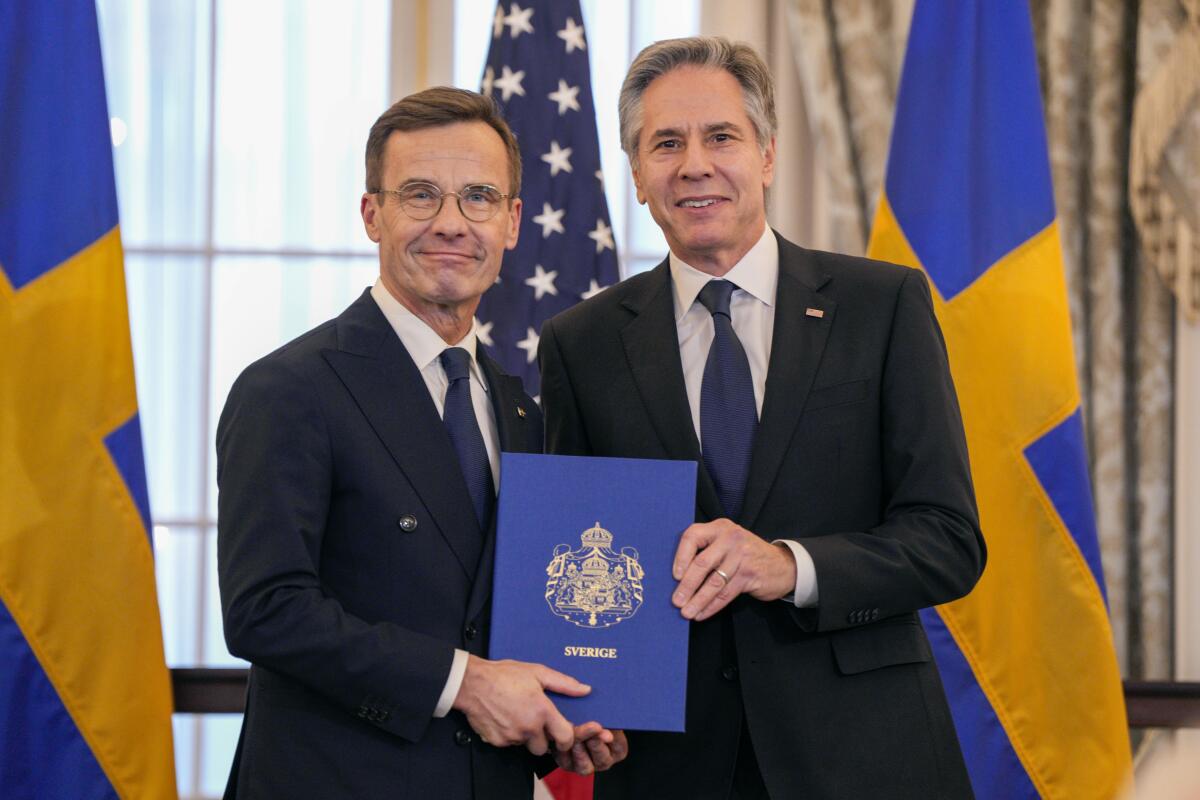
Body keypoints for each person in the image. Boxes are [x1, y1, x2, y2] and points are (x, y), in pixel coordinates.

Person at [538, 37, 986, 799]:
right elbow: (568, 560)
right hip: (666, 763)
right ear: (639, 176)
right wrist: (582, 701)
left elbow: (947, 541)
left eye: (721, 137)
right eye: (666, 144)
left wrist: (789, 567)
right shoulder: (580, 345)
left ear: (768, 155)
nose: (694, 165)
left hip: (866, 753)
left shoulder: (883, 307)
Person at [216, 86, 624, 799]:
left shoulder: (520, 409)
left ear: (513, 222)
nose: (451, 224)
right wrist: (466, 684)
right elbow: (266, 610)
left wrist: (560, 716)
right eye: (420, 195)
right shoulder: (289, 389)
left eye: (478, 197)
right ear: (373, 214)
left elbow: (500, 619)